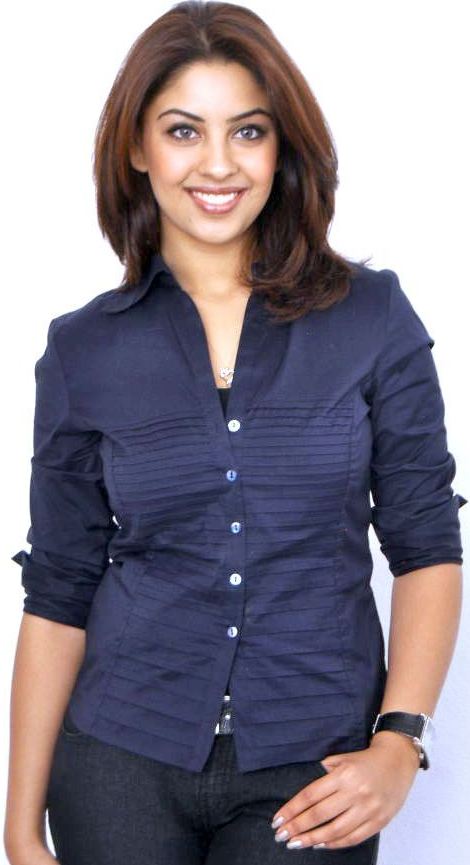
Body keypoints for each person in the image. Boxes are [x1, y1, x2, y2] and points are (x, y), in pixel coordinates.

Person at [4, 2, 466, 864]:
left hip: (314, 766)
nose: (217, 163)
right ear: (137, 148)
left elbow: (426, 543)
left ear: (281, 146)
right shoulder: (83, 349)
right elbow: (59, 589)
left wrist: (401, 740)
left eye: (248, 131)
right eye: (183, 130)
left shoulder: (372, 318)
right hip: (119, 759)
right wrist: (20, 828)